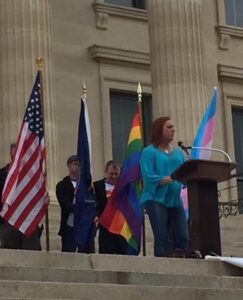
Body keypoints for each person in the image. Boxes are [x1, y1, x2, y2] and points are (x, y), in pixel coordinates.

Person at [140, 116, 189, 257]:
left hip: (175, 200)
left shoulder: (179, 153)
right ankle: (161, 265)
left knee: (182, 236)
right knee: (162, 237)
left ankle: (182, 264)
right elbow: (149, 177)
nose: (173, 130)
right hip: (155, 199)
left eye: (173, 127)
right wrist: (172, 178)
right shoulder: (149, 152)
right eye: (169, 127)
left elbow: (183, 174)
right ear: (158, 130)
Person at [0, 143, 42, 250]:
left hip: (28, 219)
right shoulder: (2, 174)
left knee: (31, 250)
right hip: (9, 219)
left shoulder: (32, 174)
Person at [56, 155, 95, 253]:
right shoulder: (62, 185)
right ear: (69, 166)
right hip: (70, 225)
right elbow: (64, 204)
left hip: (85, 225)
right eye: (76, 164)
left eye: (80, 165)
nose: (78, 167)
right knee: (69, 253)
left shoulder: (86, 186)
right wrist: (79, 208)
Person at [93, 160, 128, 254]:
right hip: (105, 225)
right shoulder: (97, 186)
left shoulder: (125, 187)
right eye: (111, 173)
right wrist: (96, 215)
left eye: (116, 174)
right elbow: (94, 203)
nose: (114, 176)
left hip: (122, 227)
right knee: (105, 253)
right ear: (105, 172)